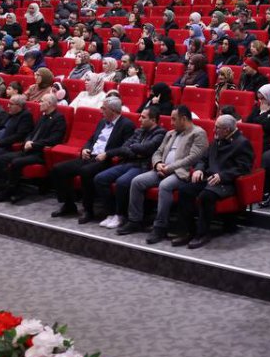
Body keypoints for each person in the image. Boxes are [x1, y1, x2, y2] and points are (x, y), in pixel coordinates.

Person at [117, 105, 208, 244]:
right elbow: (157, 152)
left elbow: (192, 158)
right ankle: (134, 220)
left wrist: (169, 168)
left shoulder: (198, 133)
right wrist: (157, 163)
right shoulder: (170, 133)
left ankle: (160, 227)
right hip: (161, 169)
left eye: (174, 119)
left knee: (165, 186)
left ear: (184, 119)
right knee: (137, 181)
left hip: (181, 173)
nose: (170, 123)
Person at [172, 114, 254, 249]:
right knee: (185, 190)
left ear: (227, 130)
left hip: (227, 182)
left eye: (217, 128)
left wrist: (223, 176)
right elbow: (204, 159)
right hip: (209, 178)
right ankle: (187, 230)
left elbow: (243, 168)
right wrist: (199, 169)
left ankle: (202, 234)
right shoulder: (218, 139)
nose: (214, 130)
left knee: (206, 196)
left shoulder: (242, 143)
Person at [92, 106, 168, 229]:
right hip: (127, 163)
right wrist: (135, 150)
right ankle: (111, 213)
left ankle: (120, 215)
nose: (139, 119)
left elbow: (148, 149)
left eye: (143, 117)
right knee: (100, 178)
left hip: (142, 166)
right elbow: (124, 147)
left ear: (153, 120)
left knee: (122, 182)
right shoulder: (138, 131)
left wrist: (133, 148)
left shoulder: (161, 133)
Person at [0, 93, 67, 203]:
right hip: (28, 149)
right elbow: (31, 132)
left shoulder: (58, 118)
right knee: (0, 159)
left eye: (42, 101)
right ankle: (14, 190)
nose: (39, 103)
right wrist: (28, 140)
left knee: (16, 162)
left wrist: (34, 144)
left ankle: (7, 191)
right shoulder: (43, 116)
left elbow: (54, 139)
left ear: (49, 104)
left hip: (40, 153)